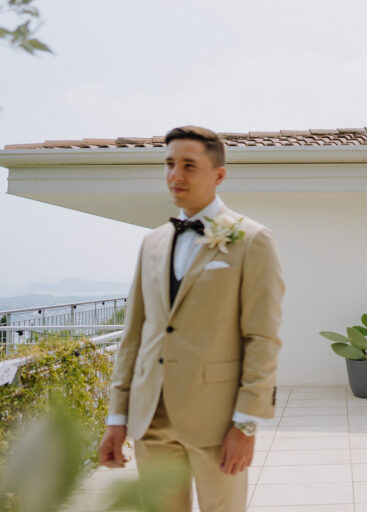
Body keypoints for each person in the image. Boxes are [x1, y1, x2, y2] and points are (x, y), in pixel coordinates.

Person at [97, 126, 284, 511]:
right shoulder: (151, 242)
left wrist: (246, 424)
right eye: (169, 164)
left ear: (218, 174)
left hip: (216, 422)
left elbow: (262, 338)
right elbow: (134, 335)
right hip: (151, 419)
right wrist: (117, 417)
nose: (175, 176)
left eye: (188, 165)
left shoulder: (252, 240)